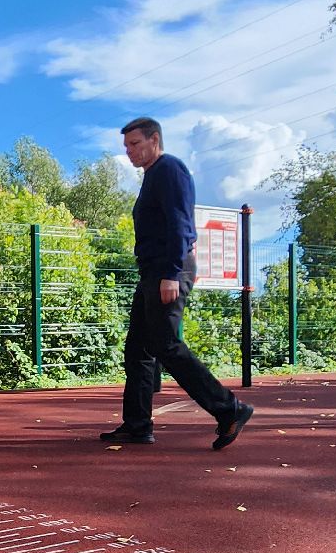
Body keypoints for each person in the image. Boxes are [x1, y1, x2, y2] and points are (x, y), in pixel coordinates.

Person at [99, 117, 254, 450]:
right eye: (126, 147)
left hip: (168, 271)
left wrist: (171, 272)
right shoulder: (154, 175)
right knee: (138, 350)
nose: (129, 152)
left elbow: (181, 223)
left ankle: (230, 409)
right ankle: (138, 425)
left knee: (166, 346)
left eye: (135, 144)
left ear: (155, 140)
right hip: (152, 272)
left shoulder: (170, 169)